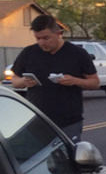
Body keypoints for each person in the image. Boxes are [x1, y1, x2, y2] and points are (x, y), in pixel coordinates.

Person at [11, 14, 100, 142]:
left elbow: (95, 83)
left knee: (68, 158)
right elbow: (15, 81)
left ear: (58, 33)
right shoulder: (28, 53)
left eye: (46, 38)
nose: (42, 42)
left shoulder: (77, 54)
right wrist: (23, 82)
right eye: (38, 38)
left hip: (68, 122)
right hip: (36, 120)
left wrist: (74, 81)